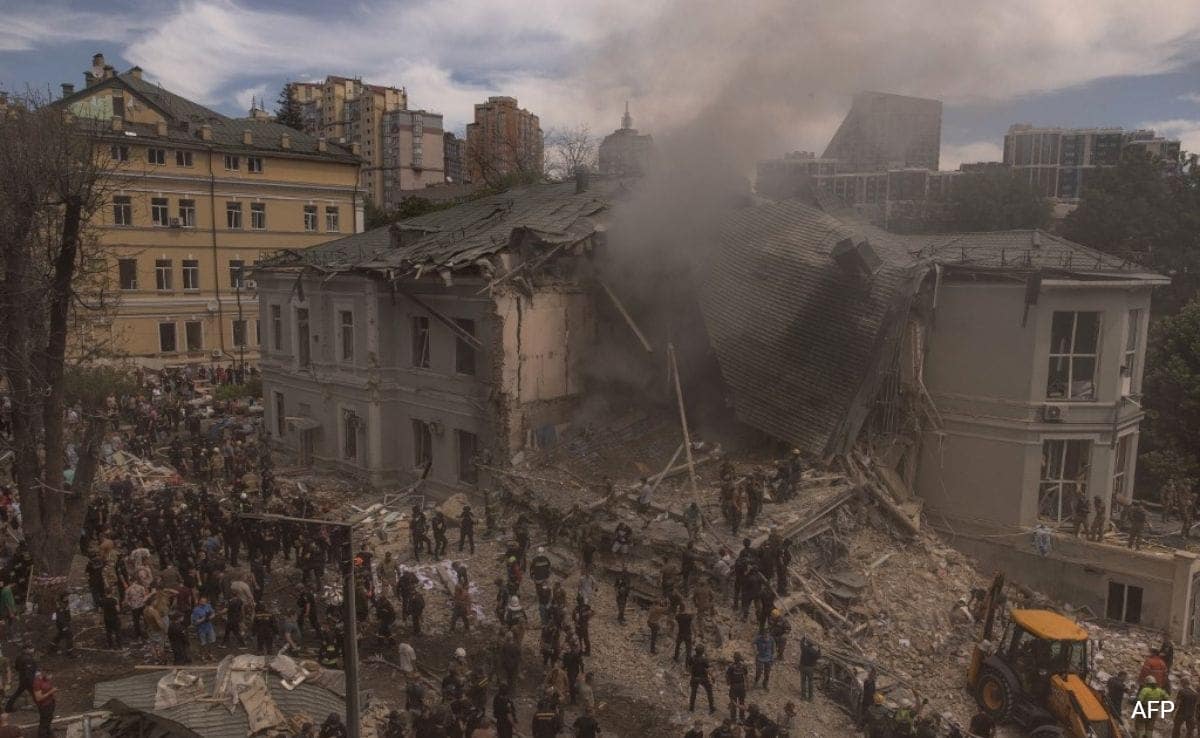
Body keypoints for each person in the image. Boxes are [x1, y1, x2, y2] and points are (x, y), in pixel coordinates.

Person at [5, 644, 36, 712]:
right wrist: (31, 680)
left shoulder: (19, 657)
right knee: (34, 693)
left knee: (17, 694)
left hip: (22, 679)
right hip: (28, 680)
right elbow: (28, 671)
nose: (32, 650)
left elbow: (16, 668)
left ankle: (8, 707)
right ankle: (41, 707)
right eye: (31, 648)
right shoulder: (28, 659)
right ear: (26, 649)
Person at [688, 644, 716, 714]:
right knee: (709, 692)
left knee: (693, 693)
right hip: (703, 678)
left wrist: (692, 673)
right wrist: (712, 677)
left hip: (694, 678)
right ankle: (711, 708)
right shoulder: (704, 659)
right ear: (702, 651)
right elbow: (708, 669)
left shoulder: (692, 658)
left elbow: (688, 668)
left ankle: (691, 708)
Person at [725, 652, 749, 722]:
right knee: (742, 702)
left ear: (734, 658)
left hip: (734, 686)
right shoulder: (743, 666)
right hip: (741, 685)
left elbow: (727, 676)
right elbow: (746, 676)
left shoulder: (731, 667)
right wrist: (747, 685)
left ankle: (733, 718)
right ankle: (742, 717)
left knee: (733, 702)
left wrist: (728, 683)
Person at [31, 670, 54, 738]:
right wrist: (51, 692)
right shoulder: (37, 683)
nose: (51, 677)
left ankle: (49, 732)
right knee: (44, 722)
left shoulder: (46, 680)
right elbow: (38, 698)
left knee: (49, 719)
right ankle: (42, 735)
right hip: (44, 705)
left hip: (50, 703)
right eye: (49, 675)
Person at [799, 635, 820, 701]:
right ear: (812, 645)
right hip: (810, 668)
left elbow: (801, 643)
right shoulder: (814, 651)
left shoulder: (804, 648)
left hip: (803, 667)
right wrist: (819, 649)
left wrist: (803, 637)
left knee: (803, 682)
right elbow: (819, 656)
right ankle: (810, 697)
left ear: (807, 643)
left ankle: (803, 696)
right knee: (810, 683)